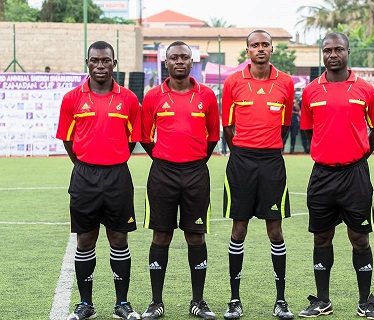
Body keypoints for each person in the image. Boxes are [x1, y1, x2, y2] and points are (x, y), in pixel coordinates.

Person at [299, 32, 374, 320]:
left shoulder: (365, 89)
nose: (332, 54)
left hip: (355, 176)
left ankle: (366, 302)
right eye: (327, 50)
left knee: (359, 239)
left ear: (349, 52)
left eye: (338, 49)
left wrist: (359, 156)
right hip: (322, 176)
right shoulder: (311, 91)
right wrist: (329, 152)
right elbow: (308, 131)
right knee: (321, 238)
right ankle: (322, 301)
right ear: (322, 54)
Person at [56, 40, 141, 320]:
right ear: (87, 63)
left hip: (117, 176)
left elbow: (131, 141)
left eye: (106, 61)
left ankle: (122, 304)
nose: (100, 65)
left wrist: (112, 160)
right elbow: (68, 140)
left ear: (114, 64)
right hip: (84, 176)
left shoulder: (128, 98)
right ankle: (85, 304)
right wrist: (85, 164)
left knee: (119, 239)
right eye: (95, 60)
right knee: (85, 240)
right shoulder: (72, 98)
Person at [140, 41, 219, 320]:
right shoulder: (153, 97)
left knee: (195, 236)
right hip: (163, 173)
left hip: (197, 172)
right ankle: (156, 302)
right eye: (174, 57)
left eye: (185, 57)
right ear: (166, 62)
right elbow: (145, 137)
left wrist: (194, 160)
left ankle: (197, 301)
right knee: (161, 234)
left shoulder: (207, 96)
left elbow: (212, 136)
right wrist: (165, 158)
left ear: (192, 61)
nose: (180, 62)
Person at [222, 29, 295, 320]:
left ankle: (281, 300)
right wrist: (242, 150)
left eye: (265, 44)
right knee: (239, 229)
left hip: (272, 162)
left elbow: (285, 124)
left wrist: (268, 147)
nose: (260, 49)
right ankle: (234, 300)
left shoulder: (286, 82)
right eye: (255, 45)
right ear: (247, 50)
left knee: (274, 230)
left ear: (272, 49)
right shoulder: (233, 82)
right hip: (241, 162)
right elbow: (228, 127)